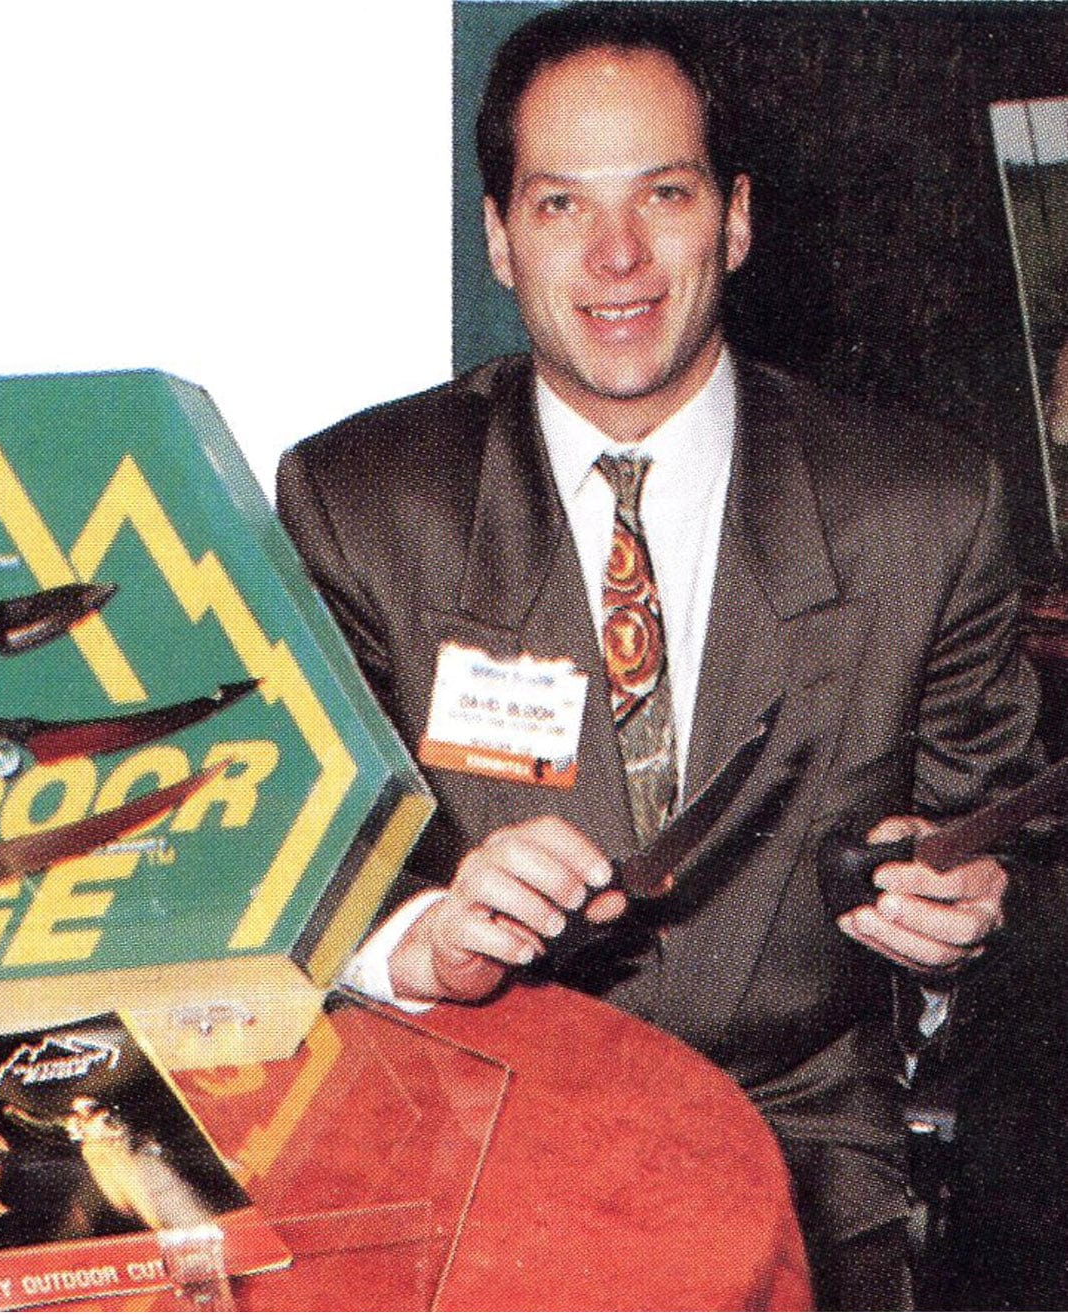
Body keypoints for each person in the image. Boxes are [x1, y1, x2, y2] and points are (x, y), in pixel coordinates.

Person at [276, 4, 1041, 1308]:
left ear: (735, 219)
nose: (617, 255)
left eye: (664, 195)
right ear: (499, 241)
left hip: (797, 1138)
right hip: (469, 1116)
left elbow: (1016, 850)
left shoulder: (924, 508)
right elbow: (293, 853)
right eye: (562, 204)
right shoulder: (360, 499)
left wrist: (978, 914)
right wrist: (415, 938)